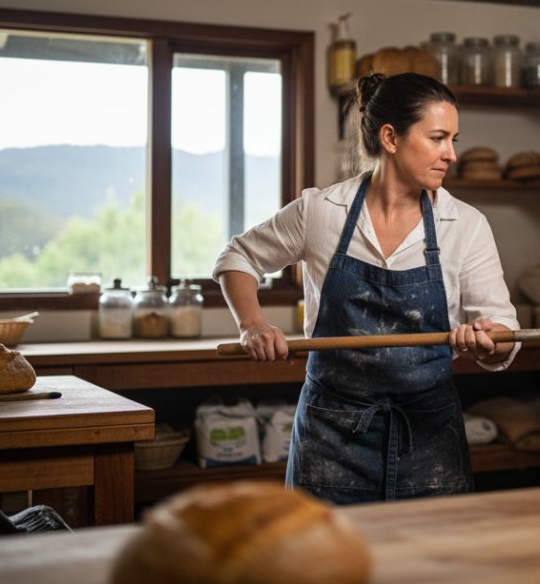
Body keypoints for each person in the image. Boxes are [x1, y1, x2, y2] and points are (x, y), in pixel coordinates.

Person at [213, 71, 519, 505]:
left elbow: (505, 329)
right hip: (330, 438)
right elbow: (236, 258)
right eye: (437, 138)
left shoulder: (464, 225)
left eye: (454, 139)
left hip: (429, 436)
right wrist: (252, 323)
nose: (451, 154)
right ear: (390, 137)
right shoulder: (322, 211)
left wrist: (489, 341)